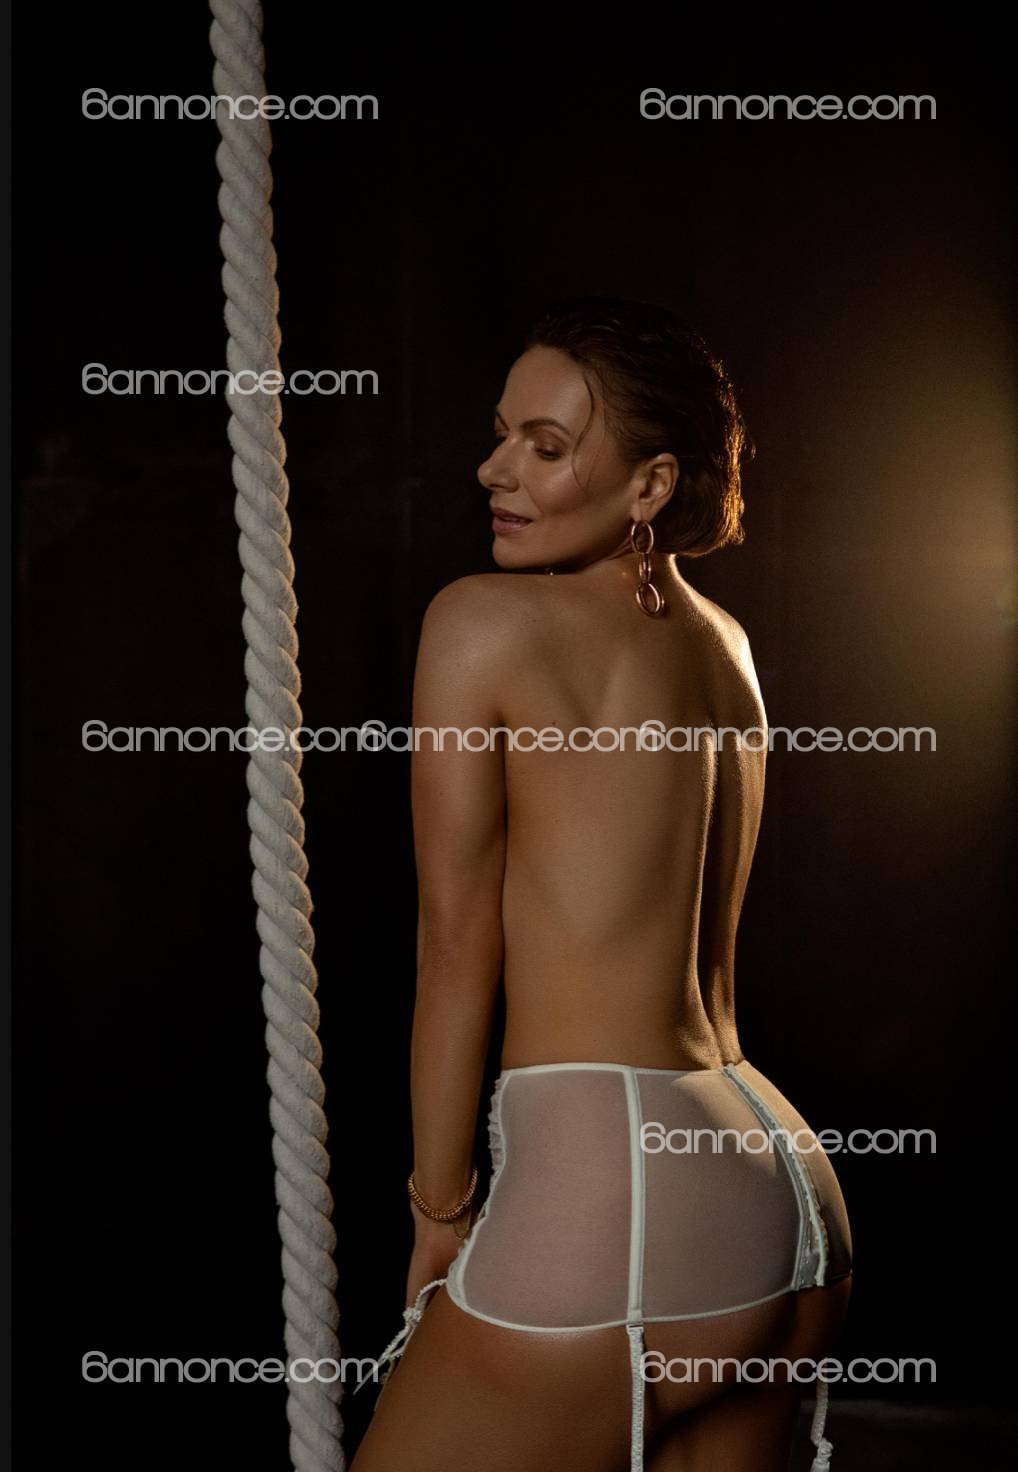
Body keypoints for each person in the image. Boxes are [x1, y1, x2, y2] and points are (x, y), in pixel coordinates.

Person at [350, 298, 853, 1472]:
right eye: (500, 435)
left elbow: (455, 946)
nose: (494, 470)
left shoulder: (480, 622)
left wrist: (438, 1211)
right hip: (783, 1194)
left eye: (545, 445)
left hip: (609, 1192)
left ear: (649, 483)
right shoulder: (727, 645)